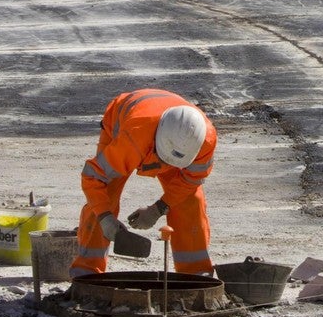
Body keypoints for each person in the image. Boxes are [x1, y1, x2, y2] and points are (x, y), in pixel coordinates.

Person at [69, 88, 217, 278]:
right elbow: (93, 177)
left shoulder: (205, 141)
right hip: (127, 128)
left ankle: (196, 275)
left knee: (191, 201)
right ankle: (86, 272)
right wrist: (104, 217)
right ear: (156, 142)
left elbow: (190, 181)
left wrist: (158, 208)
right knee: (105, 193)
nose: (166, 166)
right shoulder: (133, 139)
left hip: (165, 137)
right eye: (164, 161)